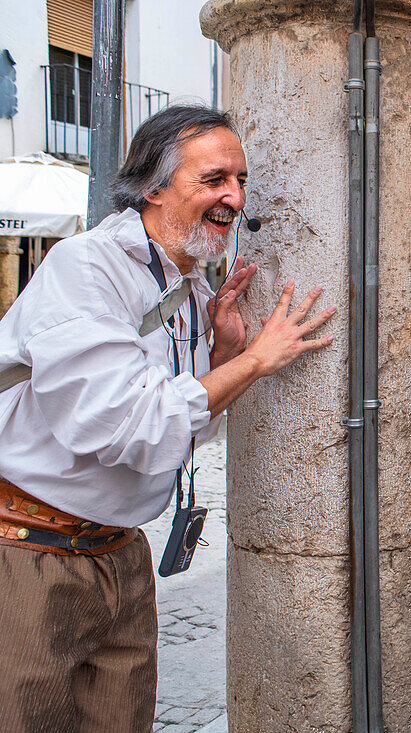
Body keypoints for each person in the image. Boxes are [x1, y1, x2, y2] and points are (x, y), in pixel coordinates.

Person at [0, 105, 335, 732]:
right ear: (153, 188)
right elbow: (126, 426)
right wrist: (257, 362)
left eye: (239, 181)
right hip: (27, 554)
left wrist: (226, 356)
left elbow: (184, 432)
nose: (234, 197)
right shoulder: (88, 268)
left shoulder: (191, 289)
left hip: (120, 555)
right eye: (213, 180)